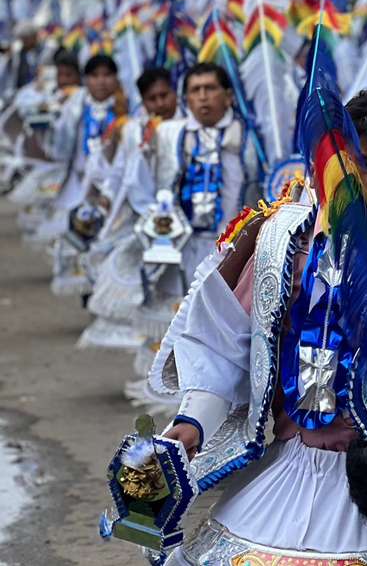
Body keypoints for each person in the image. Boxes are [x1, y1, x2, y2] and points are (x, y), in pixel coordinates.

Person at [150, 100, 367, 564]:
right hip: (286, 469)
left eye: (364, 166)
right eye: (333, 169)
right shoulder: (279, 242)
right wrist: (193, 420)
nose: (346, 184)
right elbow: (225, 341)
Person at [125, 62, 261, 409]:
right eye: (195, 90)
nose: (202, 97)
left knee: (224, 325)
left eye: (210, 89)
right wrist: (156, 226)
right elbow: (139, 181)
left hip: (234, 251)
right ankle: (179, 394)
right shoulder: (169, 135)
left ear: (228, 95)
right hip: (181, 246)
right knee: (180, 319)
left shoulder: (250, 138)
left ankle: (221, 398)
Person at [80, 67, 180, 349]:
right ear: (143, 102)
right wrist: (108, 198)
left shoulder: (187, 128)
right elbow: (124, 173)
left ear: (175, 94)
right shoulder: (135, 131)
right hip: (149, 219)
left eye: (164, 95)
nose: (160, 103)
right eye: (152, 99)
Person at [44, 53, 128, 296]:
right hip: (80, 183)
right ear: (86, 79)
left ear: (116, 78)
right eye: (94, 76)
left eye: (107, 75)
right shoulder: (76, 105)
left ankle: (104, 293)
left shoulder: (125, 107)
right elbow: (61, 145)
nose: (101, 81)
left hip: (115, 188)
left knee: (110, 242)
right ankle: (88, 292)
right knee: (78, 238)